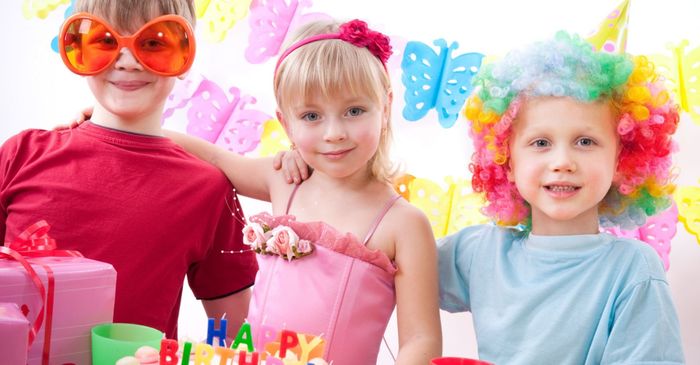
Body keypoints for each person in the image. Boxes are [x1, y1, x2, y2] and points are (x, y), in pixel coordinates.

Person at [167, 19, 442, 365]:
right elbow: (210, 156)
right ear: (286, 124)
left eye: (354, 111)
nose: (334, 133)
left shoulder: (404, 224)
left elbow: (421, 339)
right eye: (312, 116)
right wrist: (119, 124)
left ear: (385, 107)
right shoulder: (284, 180)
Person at [0, 0, 258, 339]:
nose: (128, 60)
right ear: (77, 47)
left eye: (153, 42)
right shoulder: (20, 154)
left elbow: (233, 338)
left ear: (185, 55)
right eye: (105, 41)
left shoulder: (210, 189)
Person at [438, 31, 685, 364]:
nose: (562, 162)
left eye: (585, 141)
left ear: (621, 160)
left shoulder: (632, 268)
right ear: (507, 161)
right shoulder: (480, 252)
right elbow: (387, 265)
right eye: (540, 143)